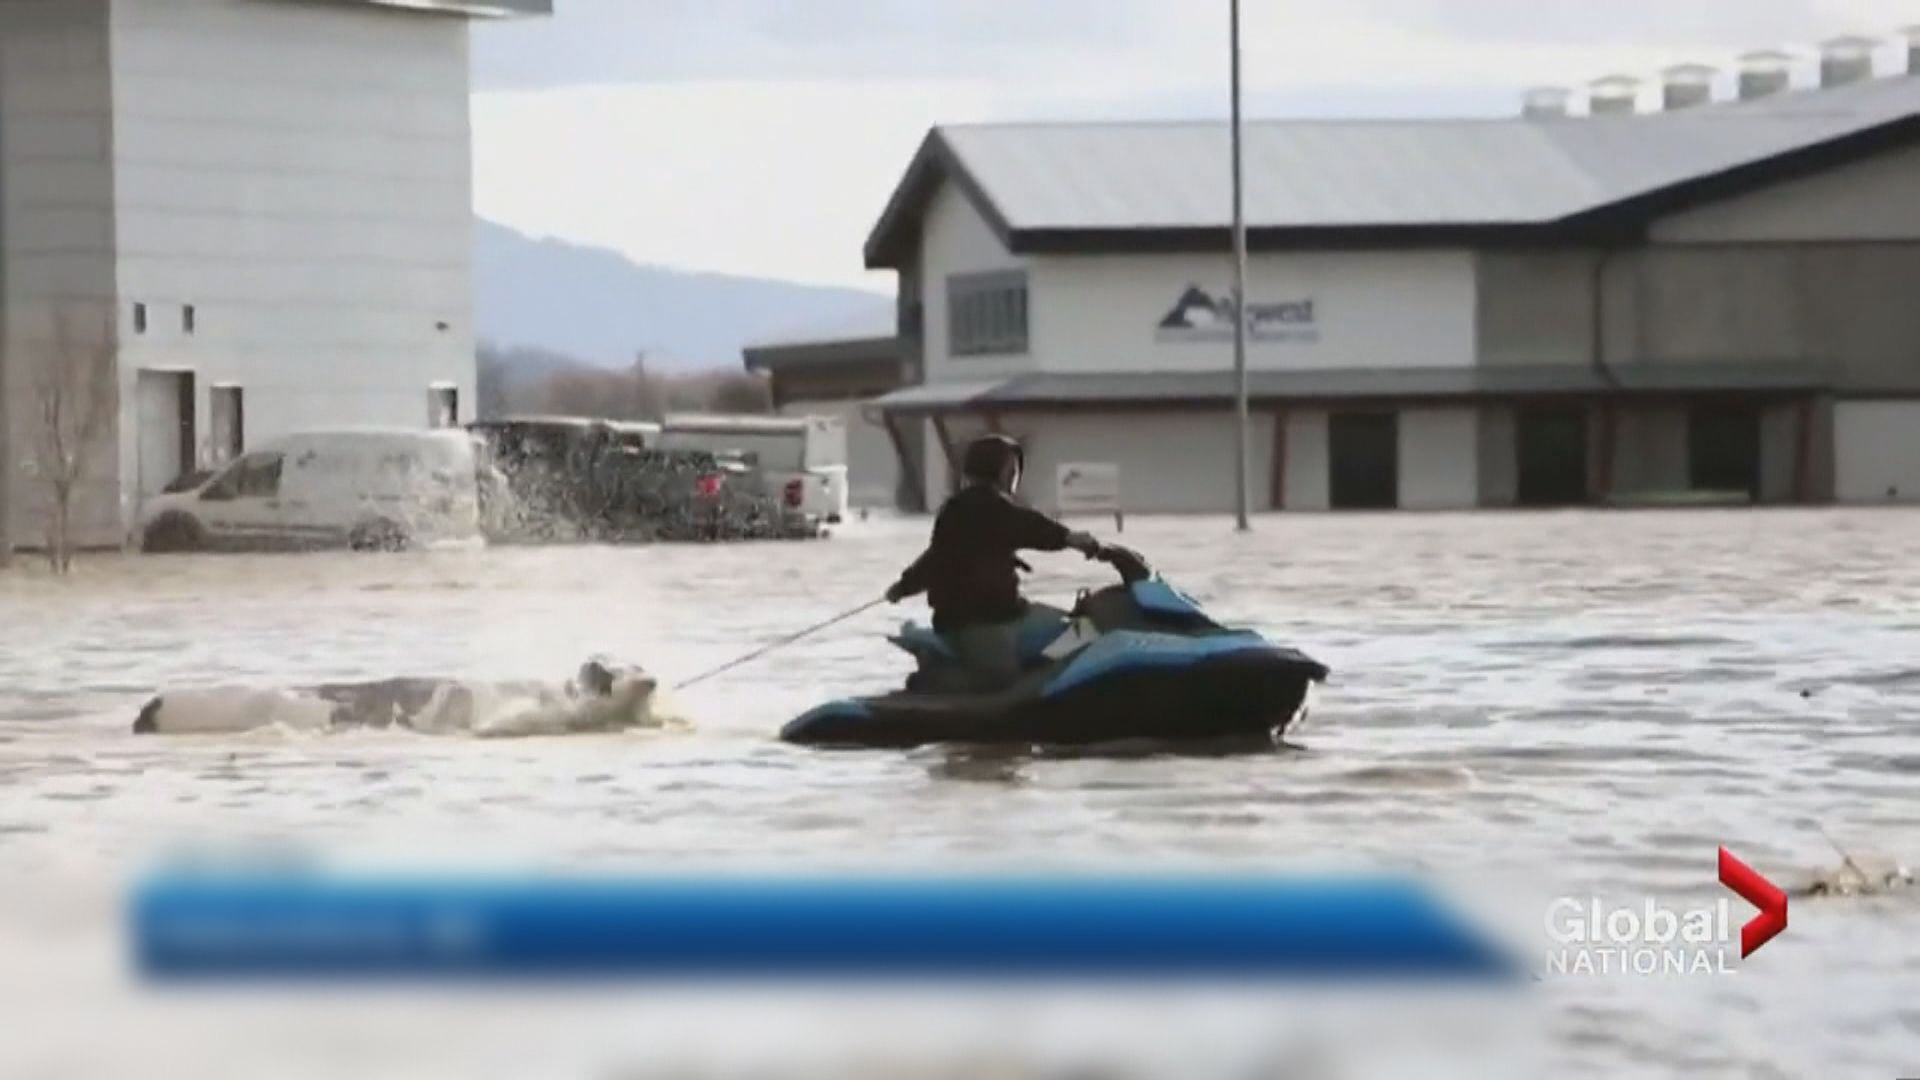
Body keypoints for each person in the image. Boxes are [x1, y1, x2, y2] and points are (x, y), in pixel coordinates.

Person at [885, 434, 1103, 692]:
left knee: (1079, 628)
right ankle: (935, 680)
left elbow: (935, 558)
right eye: (1012, 468)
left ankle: (1049, 681)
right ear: (1002, 471)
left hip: (1007, 612)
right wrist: (1070, 538)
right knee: (1000, 680)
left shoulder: (957, 508)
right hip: (980, 620)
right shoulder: (985, 506)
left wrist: (903, 586)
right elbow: (1028, 526)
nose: (1014, 475)